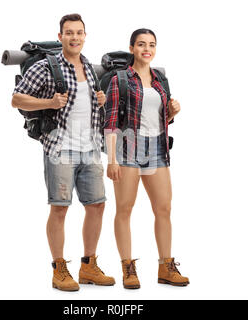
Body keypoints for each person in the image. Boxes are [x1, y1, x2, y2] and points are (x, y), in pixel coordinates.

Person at [12, 13, 115, 291]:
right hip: (60, 149)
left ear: (85, 35)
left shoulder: (88, 67)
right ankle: (59, 270)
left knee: (97, 206)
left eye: (79, 33)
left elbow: (87, 105)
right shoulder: (46, 67)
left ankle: (88, 266)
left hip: (90, 148)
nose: (74, 37)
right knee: (59, 208)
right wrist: (50, 101)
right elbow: (16, 99)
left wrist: (100, 100)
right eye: (69, 33)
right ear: (60, 37)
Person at [104, 28, 189, 289]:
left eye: (151, 44)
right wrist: (111, 160)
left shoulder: (160, 79)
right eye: (141, 44)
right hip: (128, 146)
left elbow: (161, 117)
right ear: (132, 49)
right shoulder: (120, 79)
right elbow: (110, 121)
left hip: (158, 148)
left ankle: (166, 266)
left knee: (163, 209)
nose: (146, 49)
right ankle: (128, 268)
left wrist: (173, 112)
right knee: (125, 209)